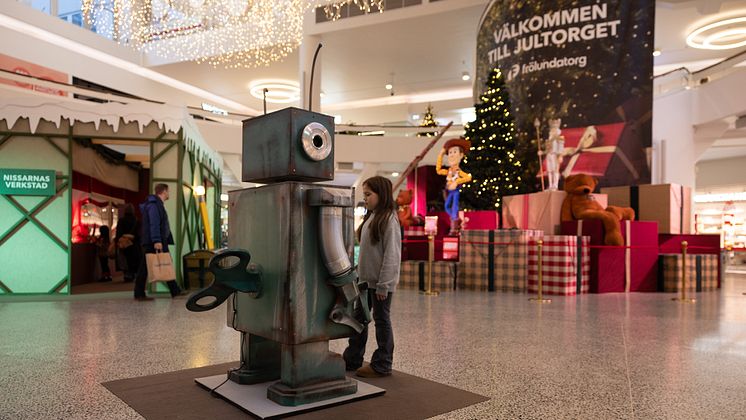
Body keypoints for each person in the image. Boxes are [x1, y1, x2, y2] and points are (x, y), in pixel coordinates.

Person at [343, 176, 401, 378]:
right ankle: (352, 358)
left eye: (368, 194)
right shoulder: (372, 218)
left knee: (381, 320)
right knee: (359, 319)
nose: (365, 199)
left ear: (381, 194)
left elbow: (391, 255)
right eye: (364, 195)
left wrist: (384, 285)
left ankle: (382, 363)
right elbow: (370, 253)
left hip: (379, 285)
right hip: (365, 282)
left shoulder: (389, 219)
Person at [134, 183, 183, 300]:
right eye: (168, 191)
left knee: (162, 263)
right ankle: (139, 293)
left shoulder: (156, 204)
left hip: (157, 240)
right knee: (146, 267)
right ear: (164, 191)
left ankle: (174, 290)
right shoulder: (154, 205)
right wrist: (157, 240)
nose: (169, 194)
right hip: (154, 241)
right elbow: (154, 223)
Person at [436, 138, 472, 234]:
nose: (451, 155)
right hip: (450, 191)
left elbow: (468, 178)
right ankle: (455, 219)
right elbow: (438, 170)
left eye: (454, 152)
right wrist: (441, 154)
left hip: (455, 191)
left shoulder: (458, 171)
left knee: (454, 207)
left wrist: (457, 182)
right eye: (450, 152)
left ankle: (454, 227)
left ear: (461, 155)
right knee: (447, 206)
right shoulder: (449, 171)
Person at [116, 203, 140, 282]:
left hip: (124, 243)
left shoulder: (121, 220)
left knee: (125, 259)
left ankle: (127, 274)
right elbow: (138, 233)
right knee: (133, 259)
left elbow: (118, 233)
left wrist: (118, 241)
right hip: (134, 243)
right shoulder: (136, 220)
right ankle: (133, 274)